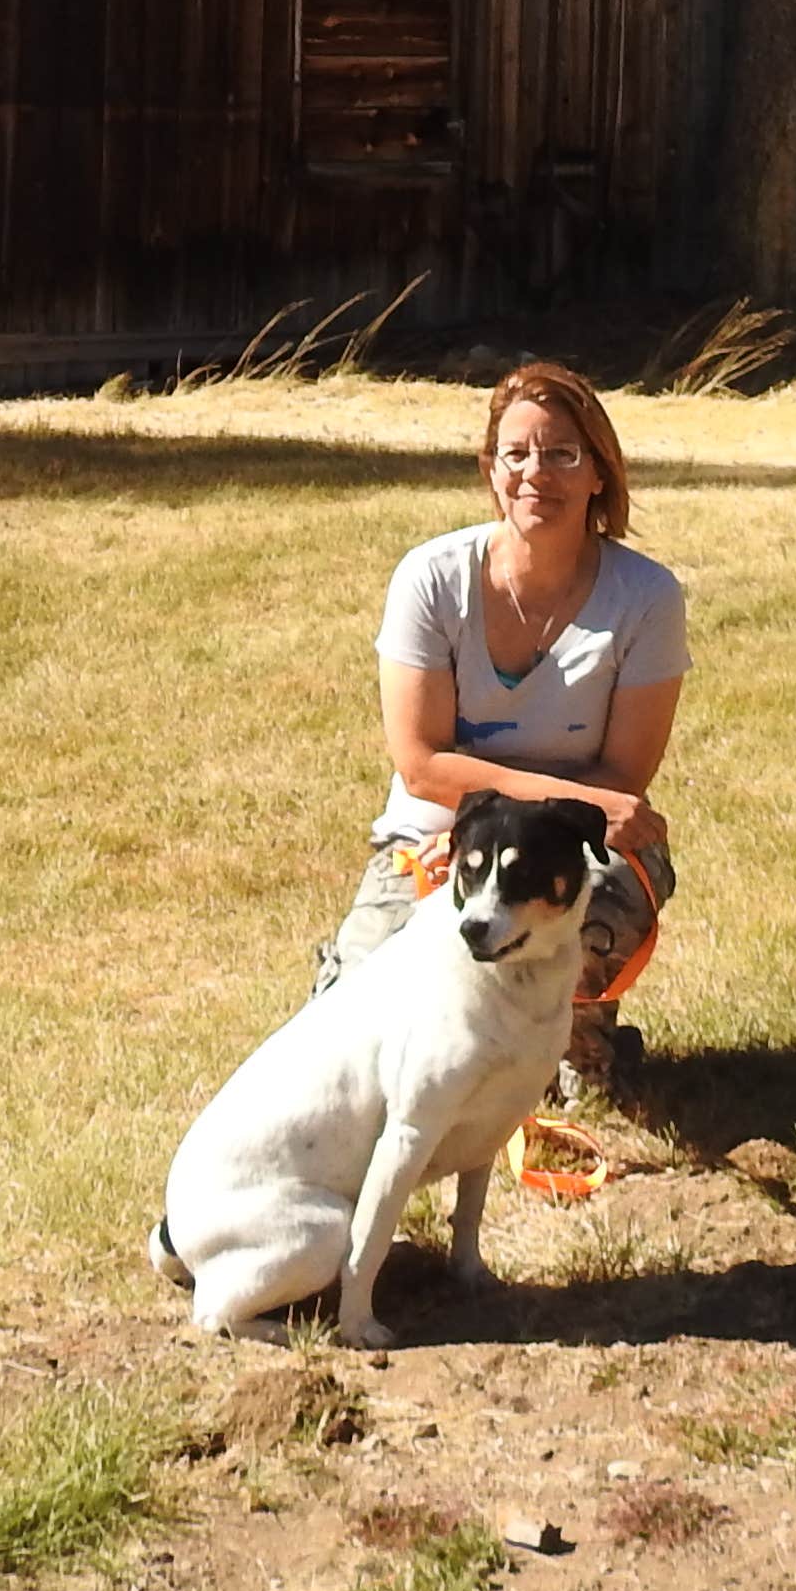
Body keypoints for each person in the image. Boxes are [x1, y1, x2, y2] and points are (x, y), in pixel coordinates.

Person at [317, 361, 682, 1099]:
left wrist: (510, 831)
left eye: (561, 454)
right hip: (434, 833)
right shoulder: (430, 578)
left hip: (579, 835)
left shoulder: (645, 596)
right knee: (343, 1035)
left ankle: (576, 1043)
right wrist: (475, 841)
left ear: (598, 475)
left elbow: (620, 779)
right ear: (490, 469)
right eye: (515, 454)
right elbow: (422, 766)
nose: (534, 474)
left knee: (579, 928)